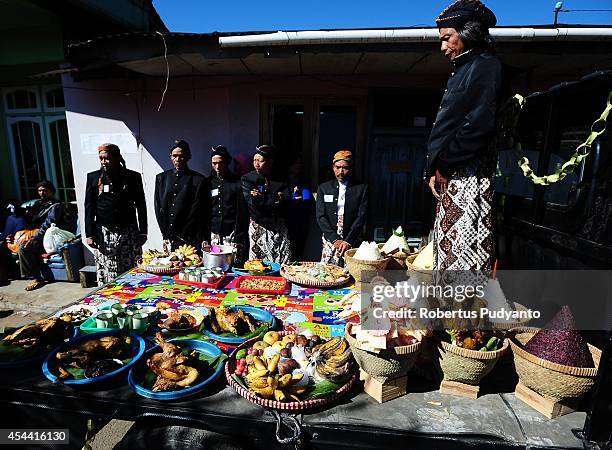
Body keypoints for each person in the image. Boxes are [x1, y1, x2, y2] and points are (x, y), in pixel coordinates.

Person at [427, 0, 501, 278]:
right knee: (446, 259)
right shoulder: (462, 69)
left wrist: (444, 165)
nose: (443, 47)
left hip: (467, 180)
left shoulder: (485, 66)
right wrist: (432, 169)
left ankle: (462, 319)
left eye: (447, 38)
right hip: (452, 179)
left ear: (467, 34)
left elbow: (478, 126)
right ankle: (447, 316)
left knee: (464, 258)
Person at [85, 143, 147, 285]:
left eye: (106, 158)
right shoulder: (94, 178)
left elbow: (141, 206)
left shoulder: (133, 177)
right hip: (104, 233)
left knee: (132, 272)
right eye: (101, 159)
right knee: (109, 274)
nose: (103, 162)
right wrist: (89, 234)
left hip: (129, 231)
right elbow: (89, 207)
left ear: (117, 157)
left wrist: (143, 232)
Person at [12, 181, 71, 290]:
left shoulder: (56, 206)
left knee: (24, 249)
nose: (42, 193)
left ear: (51, 191)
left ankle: (37, 278)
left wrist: (35, 238)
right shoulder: (38, 205)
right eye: (39, 190)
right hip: (38, 236)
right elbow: (29, 222)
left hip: (49, 239)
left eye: (45, 190)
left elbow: (48, 223)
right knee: (21, 244)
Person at [316, 150, 369, 266]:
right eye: (337, 167)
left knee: (351, 269)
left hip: (352, 234)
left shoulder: (361, 188)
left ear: (351, 168)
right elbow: (320, 216)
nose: (341, 172)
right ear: (333, 167)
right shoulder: (323, 188)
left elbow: (361, 216)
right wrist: (334, 239)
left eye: (345, 168)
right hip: (331, 234)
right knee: (329, 270)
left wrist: (348, 240)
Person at [241, 145, 292, 264]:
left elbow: (286, 198)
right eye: (254, 160)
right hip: (259, 226)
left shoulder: (280, 178)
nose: (256, 163)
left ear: (270, 162)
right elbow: (252, 203)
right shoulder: (247, 179)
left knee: (281, 261)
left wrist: (262, 198)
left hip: (278, 226)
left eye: (260, 160)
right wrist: (275, 198)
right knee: (258, 265)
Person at [154, 140, 208, 250]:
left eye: (181, 156)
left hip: (190, 236)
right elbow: (158, 206)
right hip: (168, 235)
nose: (178, 159)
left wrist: (186, 233)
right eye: (175, 156)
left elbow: (197, 209)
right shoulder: (161, 178)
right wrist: (165, 233)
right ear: (170, 157)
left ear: (188, 157)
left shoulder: (198, 180)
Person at [208, 145, 248, 265]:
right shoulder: (208, 183)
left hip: (231, 232)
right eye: (214, 163)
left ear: (228, 162)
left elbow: (242, 211)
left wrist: (239, 235)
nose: (217, 167)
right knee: (215, 263)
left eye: (221, 163)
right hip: (214, 232)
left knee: (230, 264)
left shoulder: (237, 183)